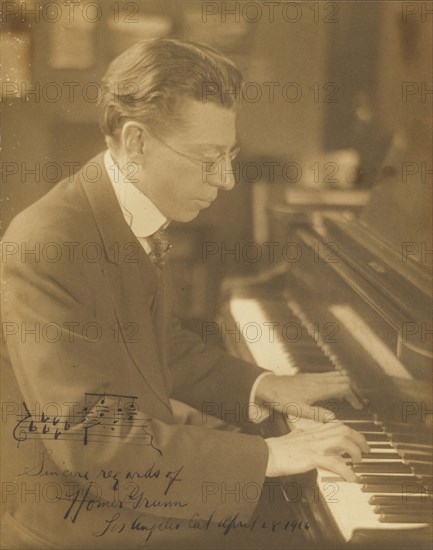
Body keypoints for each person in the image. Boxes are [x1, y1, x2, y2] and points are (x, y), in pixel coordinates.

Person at [1, 38, 367, 549]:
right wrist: (272, 456)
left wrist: (262, 386)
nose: (227, 179)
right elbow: (91, 439)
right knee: (299, 527)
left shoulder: (118, 209)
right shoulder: (48, 244)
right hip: (77, 513)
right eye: (208, 158)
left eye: (230, 154)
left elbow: (154, 342)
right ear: (136, 144)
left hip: (116, 470)